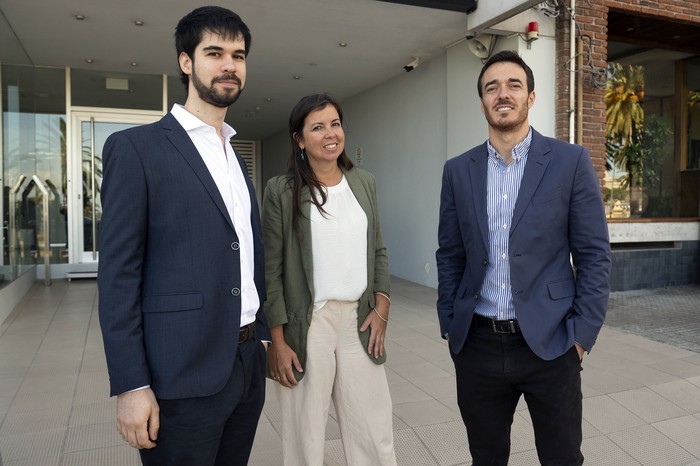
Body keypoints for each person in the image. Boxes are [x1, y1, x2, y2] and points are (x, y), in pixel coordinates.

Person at [97, 6, 270, 466]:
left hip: (247, 365)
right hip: (181, 376)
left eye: (238, 54)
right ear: (186, 62)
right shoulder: (136, 149)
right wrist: (132, 385)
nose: (229, 65)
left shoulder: (234, 153)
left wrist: (264, 338)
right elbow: (118, 278)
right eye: (214, 52)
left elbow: (246, 254)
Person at [436, 50, 611, 466]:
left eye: (513, 84)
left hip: (551, 343)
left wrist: (581, 337)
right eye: (491, 87)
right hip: (477, 343)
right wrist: (449, 322)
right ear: (481, 102)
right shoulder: (458, 170)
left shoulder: (570, 162)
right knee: (487, 457)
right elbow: (450, 252)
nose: (503, 94)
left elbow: (593, 254)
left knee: (562, 457)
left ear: (531, 97)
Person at [262, 93, 397, 466]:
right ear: (299, 139)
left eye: (334, 124)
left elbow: (379, 250)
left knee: (373, 429)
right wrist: (277, 340)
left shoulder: (364, 181)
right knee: (305, 435)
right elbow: (270, 270)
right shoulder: (282, 191)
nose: (329, 134)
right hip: (308, 324)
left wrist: (382, 304)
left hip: (359, 319)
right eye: (317, 127)